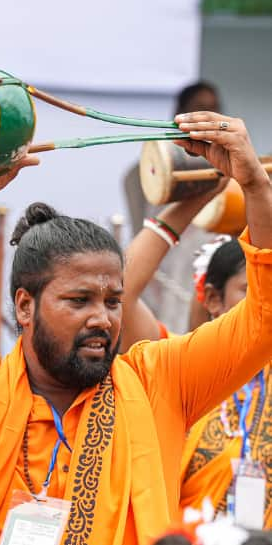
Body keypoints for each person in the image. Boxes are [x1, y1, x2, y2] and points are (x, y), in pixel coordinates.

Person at [0, 111, 272, 545]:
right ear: (25, 306)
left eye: (113, 302)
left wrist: (255, 186)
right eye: (79, 300)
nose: (102, 318)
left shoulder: (160, 380)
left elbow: (263, 319)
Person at [119, 181, 272, 528]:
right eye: (249, 290)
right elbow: (119, 296)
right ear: (214, 299)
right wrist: (189, 207)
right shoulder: (180, 370)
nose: (264, 300)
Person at [121, 82, 222, 332]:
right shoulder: (147, 172)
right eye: (199, 108)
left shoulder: (231, 175)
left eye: (213, 109)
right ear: (180, 114)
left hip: (206, 288)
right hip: (156, 287)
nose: (206, 117)